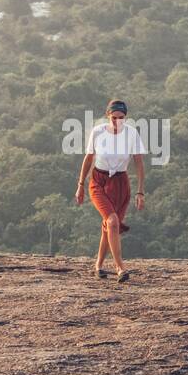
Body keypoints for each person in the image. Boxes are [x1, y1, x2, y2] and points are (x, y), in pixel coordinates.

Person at [75, 98, 145, 281]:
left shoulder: (131, 134)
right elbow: (88, 158)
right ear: (108, 115)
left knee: (109, 226)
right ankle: (120, 267)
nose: (117, 121)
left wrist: (140, 191)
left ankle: (98, 265)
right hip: (98, 181)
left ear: (126, 117)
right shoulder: (98, 132)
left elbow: (139, 163)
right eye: (114, 117)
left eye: (121, 117)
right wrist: (80, 185)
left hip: (121, 184)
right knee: (113, 221)